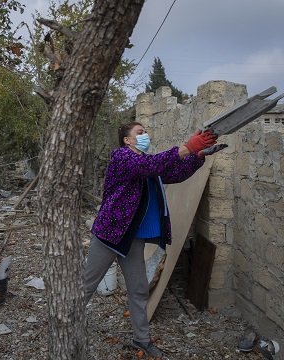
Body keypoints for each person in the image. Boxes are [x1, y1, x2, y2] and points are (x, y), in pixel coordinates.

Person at [83, 122, 226, 359]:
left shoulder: (146, 163)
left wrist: (199, 155)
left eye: (145, 131)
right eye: (139, 133)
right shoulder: (121, 158)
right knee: (86, 286)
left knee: (138, 289)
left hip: (132, 238)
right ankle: (63, 329)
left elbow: (174, 173)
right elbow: (151, 166)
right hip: (109, 236)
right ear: (127, 141)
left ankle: (141, 339)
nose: (145, 135)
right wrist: (189, 146)